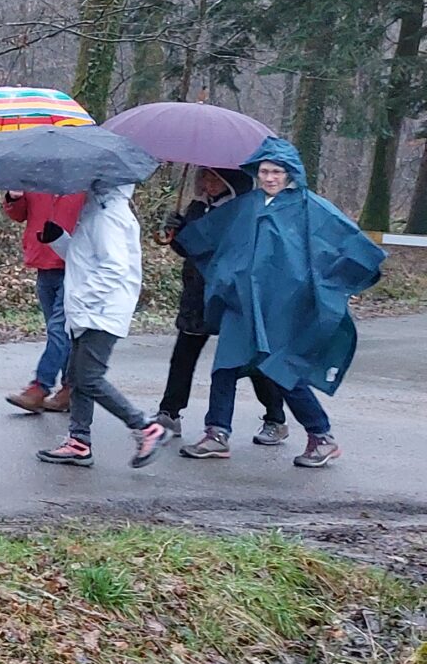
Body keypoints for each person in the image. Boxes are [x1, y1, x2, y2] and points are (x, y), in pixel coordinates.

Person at [176, 138, 386, 468]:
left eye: (276, 171)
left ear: (291, 173)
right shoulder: (247, 205)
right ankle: (216, 434)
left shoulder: (310, 208)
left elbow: (352, 245)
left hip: (282, 307)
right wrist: (183, 230)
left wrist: (335, 283)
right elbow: (209, 235)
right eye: (264, 171)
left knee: (279, 370)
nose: (270, 177)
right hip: (242, 304)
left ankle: (321, 436)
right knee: (225, 367)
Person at [32, 183, 170, 468]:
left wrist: (83, 298)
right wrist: (59, 240)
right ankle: (79, 441)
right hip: (91, 310)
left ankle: (145, 427)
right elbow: (86, 259)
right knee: (76, 375)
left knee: (88, 378)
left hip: (101, 311)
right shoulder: (97, 210)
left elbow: (114, 267)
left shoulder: (108, 216)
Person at [156, 168, 291, 453]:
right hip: (198, 292)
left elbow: (231, 250)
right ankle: (169, 412)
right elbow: (189, 249)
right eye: (204, 177)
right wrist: (177, 232)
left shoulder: (246, 211)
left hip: (233, 295)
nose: (208, 184)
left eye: (215, 178)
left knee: (249, 359)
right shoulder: (198, 207)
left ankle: (275, 418)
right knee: (183, 354)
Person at [0, 188, 85, 414]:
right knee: (58, 331)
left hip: (75, 265)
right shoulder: (36, 179)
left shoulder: (85, 183)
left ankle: (40, 387)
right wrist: (14, 198)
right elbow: (19, 215)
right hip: (43, 260)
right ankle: (69, 389)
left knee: (60, 329)